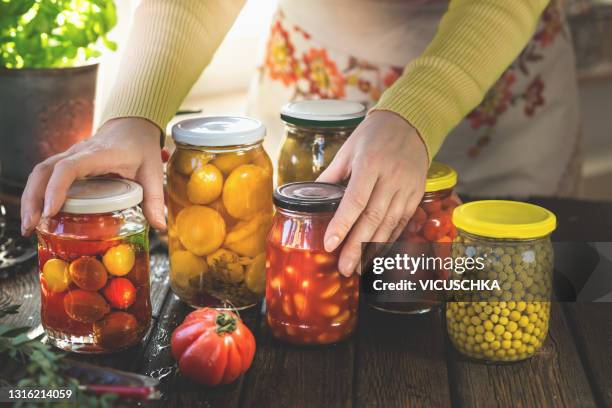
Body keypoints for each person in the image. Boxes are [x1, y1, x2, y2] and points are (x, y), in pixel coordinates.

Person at [20, 0, 580, 277]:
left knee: (503, 280)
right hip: (312, 81)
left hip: (490, 84)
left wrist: (416, 113)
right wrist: (130, 118)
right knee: (305, 265)